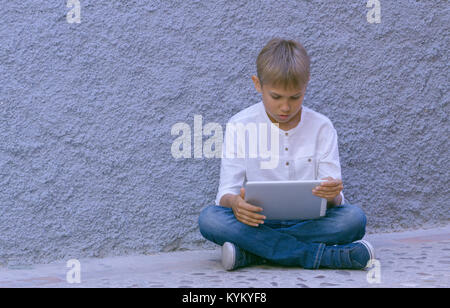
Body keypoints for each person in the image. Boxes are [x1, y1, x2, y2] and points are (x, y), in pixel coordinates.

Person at [198, 38, 375, 271]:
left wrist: (332, 194)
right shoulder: (239, 125)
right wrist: (236, 204)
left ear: (306, 85)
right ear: (257, 84)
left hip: (309, 222)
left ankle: (252, 253)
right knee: (210, 219)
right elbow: (225, 193)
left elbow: (336, 200)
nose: (285, 108)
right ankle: (324, 257)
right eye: (276, 97)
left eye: (295, 97)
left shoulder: (322, 126)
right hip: (257, 223)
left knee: (353, 219)